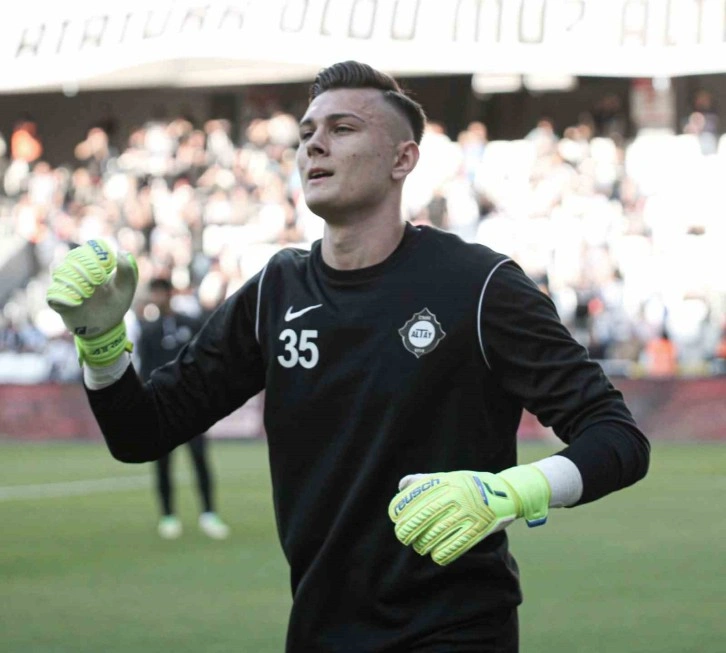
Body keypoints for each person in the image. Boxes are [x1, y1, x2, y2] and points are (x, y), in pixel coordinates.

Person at [46, 62, 650, 652]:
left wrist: (511, 493)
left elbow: (617, 437)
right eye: (306, 132)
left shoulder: (480, 285)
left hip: (456, 630)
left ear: (402, 159)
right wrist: (101, 343)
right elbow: (142, 432)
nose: (314, 145)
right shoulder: (275, 291)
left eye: (342, 129)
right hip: (319, 630)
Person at [138, 276, 230, 540]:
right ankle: (168, 516)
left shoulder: (190, 323)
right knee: (163, 463)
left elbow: (204, 359)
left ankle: (209, 513)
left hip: (191, 405)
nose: (157, 298)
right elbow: (145, 369)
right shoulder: (149, 331)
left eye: (160, 292)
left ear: (169, 294)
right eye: (153, 293)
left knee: (200, 459)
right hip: (162, 408)